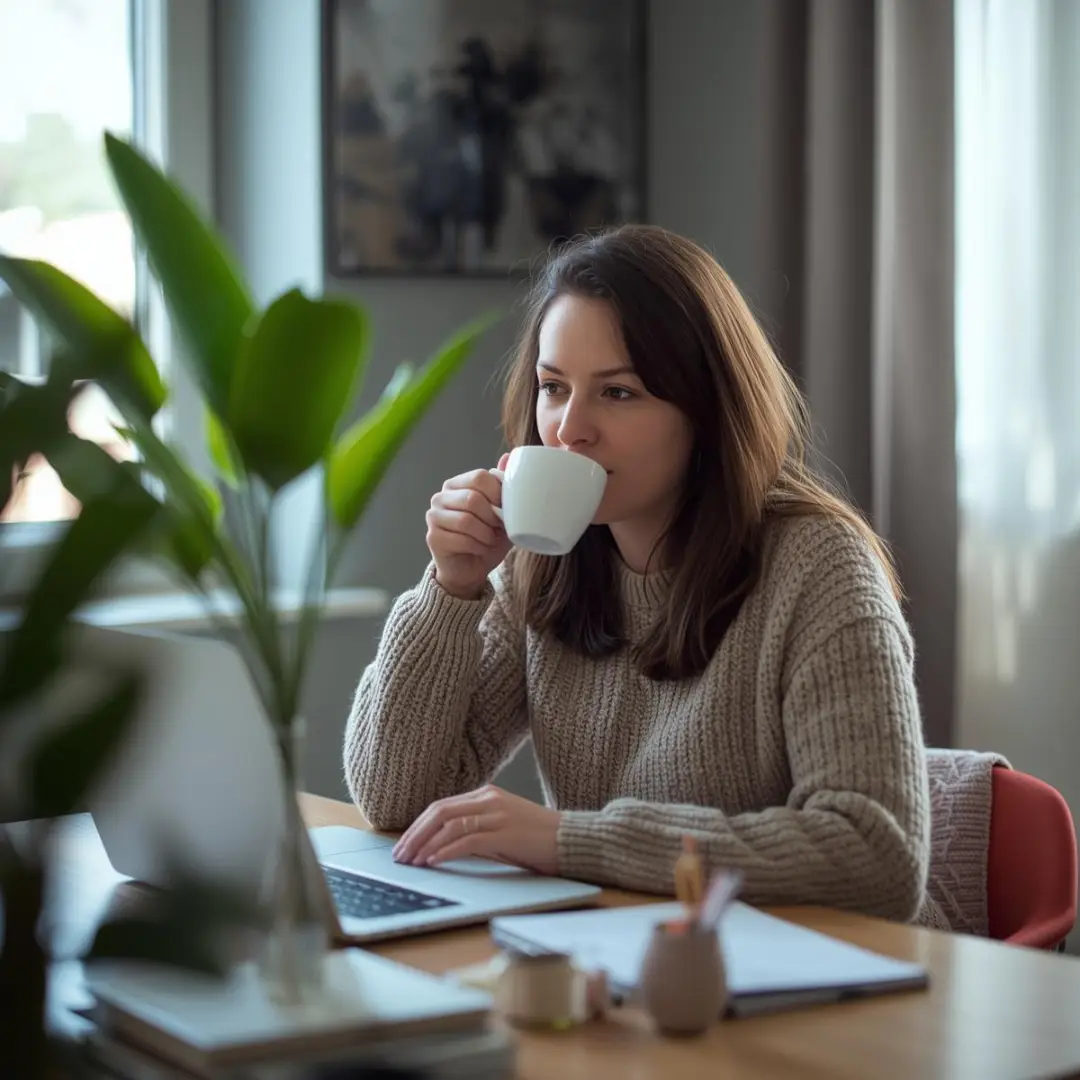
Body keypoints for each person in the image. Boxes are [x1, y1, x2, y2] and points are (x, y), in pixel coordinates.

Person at [343, 224, 930, 923]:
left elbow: (876, 857)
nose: (567, 430)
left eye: (617, 394)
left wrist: (573, 841)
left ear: (706, 410)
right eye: (553, 388)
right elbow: (393, 797)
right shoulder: (542, 563)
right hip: (615, 963)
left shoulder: (819, 567)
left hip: (799, 988)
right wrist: (450, 588)